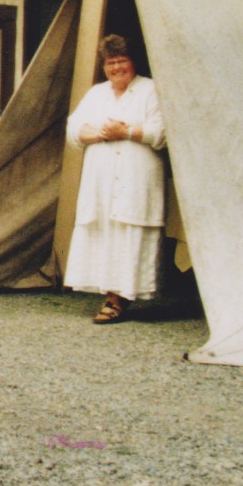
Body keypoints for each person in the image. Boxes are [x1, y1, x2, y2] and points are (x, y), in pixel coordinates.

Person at [64, 35, 167, 323]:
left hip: (136, 179)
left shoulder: (151, 90)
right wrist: (100, 134)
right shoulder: (96, 94)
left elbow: (162, 133)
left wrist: (129, 132)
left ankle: (117, 299)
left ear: (133, 62)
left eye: (122, 61)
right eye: (111, 63)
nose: (117, 67)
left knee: (129, 230)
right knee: (105, 230)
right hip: (101, 182)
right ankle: (111, 296)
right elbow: (74, 131)